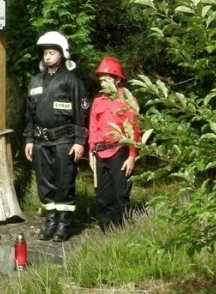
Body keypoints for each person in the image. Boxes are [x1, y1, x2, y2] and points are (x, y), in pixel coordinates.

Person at [24, 31, 90, 242]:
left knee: (64, 181)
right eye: (45, 53)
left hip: (64, 141)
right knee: (45, 183)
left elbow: (82, 113)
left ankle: (63, 224)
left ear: (62, 54)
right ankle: (51, 220)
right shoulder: (35, 81)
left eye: (52, 53)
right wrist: (29, 139)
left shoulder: (71, 81)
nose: (48, 57)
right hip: (41, 141)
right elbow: (29, 113)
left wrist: (80, 141)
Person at [88, 56, 141, 231]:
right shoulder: (98, 101)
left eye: (106, 78)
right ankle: (105, 230)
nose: (102, 81)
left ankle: (122, 231)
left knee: (120, 194)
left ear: (117, 79)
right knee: (102, 196)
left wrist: (132, 155)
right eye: (101, 78)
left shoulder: (127, 100)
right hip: (100, 153)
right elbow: (93, 127)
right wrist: (91, 151)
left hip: (120, 151)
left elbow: (135, 130)